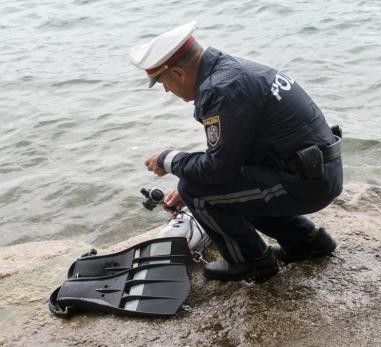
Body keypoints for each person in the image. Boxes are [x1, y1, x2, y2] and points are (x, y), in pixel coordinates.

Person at [129, 21, 343, 281]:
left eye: (163, 83)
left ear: (178, 74)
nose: (166, 90)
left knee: (196, 191)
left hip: (306, 182)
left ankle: (250, 262)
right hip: (316, 172)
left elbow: (219, 170)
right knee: (206, 185)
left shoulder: (221, 89)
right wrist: (196, 174)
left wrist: (168, 159)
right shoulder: (232, 71)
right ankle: (305, 242)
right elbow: (230, 154)